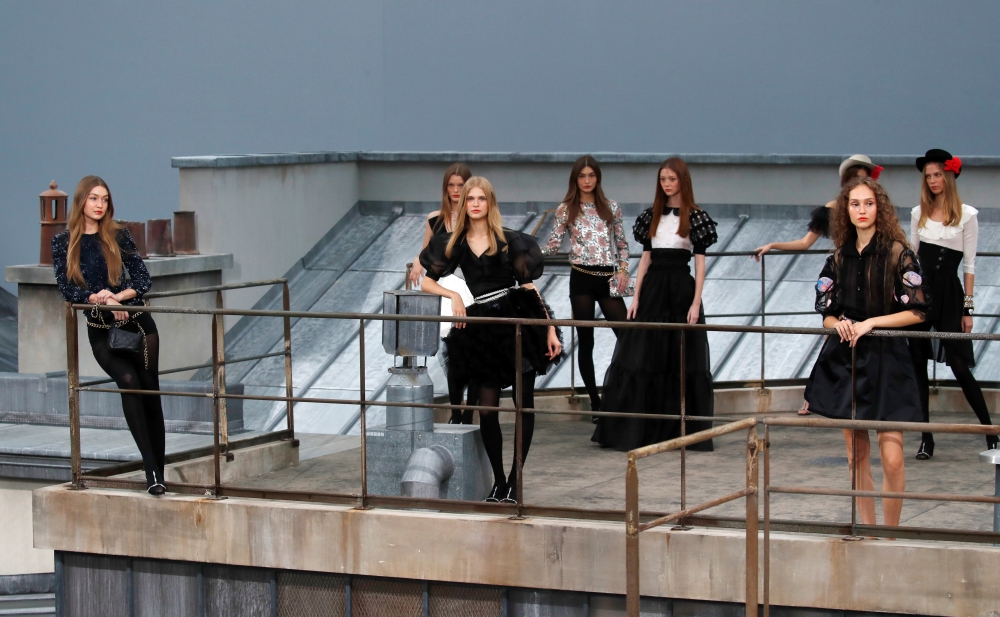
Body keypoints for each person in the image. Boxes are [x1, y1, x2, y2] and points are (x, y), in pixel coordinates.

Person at [420, 177, 563, 503]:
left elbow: (528, 286)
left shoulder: (509, 240)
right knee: (486, 409)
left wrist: (550, 327)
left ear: (489, 203)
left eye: (480, 198)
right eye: (469, 198)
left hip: (517, 321)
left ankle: (515, 481)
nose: (474, 203)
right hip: (482, 325)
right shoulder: (455, 244)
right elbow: (428, 283)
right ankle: (499, 482)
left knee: (523, 406)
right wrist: (453, 294)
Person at [804, 176, 928, 527]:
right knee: (856, 454)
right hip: (849, 358)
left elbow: (918, 310)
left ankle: (890, 536)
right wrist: (837, 324)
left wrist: (873, 322)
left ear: (879, 208)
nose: (862, 210)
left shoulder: (897, 252)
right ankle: (869, 532)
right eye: (855, 204)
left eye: (868, 203)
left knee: (892, 458)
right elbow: (825, 311)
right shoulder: (839, 256)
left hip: (888, 356)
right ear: (846, 209)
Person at [592, 157, 718, 451]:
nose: (667, 184)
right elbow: (645, 258)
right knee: (642, 357)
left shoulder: (696, 218)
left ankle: (679, 429)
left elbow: (700, 266)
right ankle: (642, 428)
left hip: (681, 291)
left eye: (672, 179)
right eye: (663, 179)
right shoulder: (651, 216)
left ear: (682, 181)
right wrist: (634, 297)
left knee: (680, 359)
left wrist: (696, 303)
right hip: (652, 292)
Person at [51, 176, 165, 496]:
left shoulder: (119, 235)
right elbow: (68, 289)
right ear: (81, 202)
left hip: (139, 324)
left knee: (149, 393)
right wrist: (97, 298)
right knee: (128, 381)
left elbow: (142, 280)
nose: (100, 205)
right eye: (93, 199)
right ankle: (150, 467)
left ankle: (157, 473)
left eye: (104, 199)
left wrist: (117, 298)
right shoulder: (63, 243)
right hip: (101, 328)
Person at [754, 154, 882, 415]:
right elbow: (804, 243)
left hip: (869, 277)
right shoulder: (833, 208)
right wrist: (773, 245)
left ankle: (847, 396)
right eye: (856, 179)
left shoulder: (875, 209)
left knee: (857, 338)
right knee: (836, 335)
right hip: (843, 276)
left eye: (865, 179)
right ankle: (815, 397)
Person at [908, 149, 997, 459]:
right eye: (928, 176)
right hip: (921, 297)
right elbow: (911, 263)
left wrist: (968, 309)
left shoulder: (967, 214)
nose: (933, 181)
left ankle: (990, 433)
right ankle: (925, 439)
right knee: (917, 365)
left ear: (949, 176)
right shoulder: (917, 214)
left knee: (959, 365)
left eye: (937, 175)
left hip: (951, 296)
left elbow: (970, 265)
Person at [541, 155, 630, 412]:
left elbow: (622, 245)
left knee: (627, 335)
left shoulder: (611, 207)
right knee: (586, 340)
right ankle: (595, 402)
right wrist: (524, 250)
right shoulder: (565, 209)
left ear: (598, 178)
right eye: (582, 176)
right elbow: (553, 245)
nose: (587, 180)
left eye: (591, 175)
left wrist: (623, 270)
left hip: (608, 278)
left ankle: (623, 393)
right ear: (575, 179)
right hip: (581, 278)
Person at [409, 163, 478, 424]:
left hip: (471, 290)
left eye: (461, 185)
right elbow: (426, 250)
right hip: (445, 291)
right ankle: (456, 412)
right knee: (449, 354)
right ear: (445, 188)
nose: (456, 190)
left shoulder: (474, 216)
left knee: (472, 354)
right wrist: (417, 260)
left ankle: (469, 414)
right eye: (451, 185)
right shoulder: (434, 218)